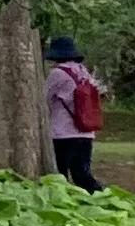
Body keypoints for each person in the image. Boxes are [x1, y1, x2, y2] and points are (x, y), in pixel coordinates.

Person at [45, 36, 105, 191]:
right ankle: (99, 196)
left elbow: (44, 98)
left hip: (63, 133)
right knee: (83, 172)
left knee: (60, 174)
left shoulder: (57, 74)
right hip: (86, 132)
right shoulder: (84, 72)